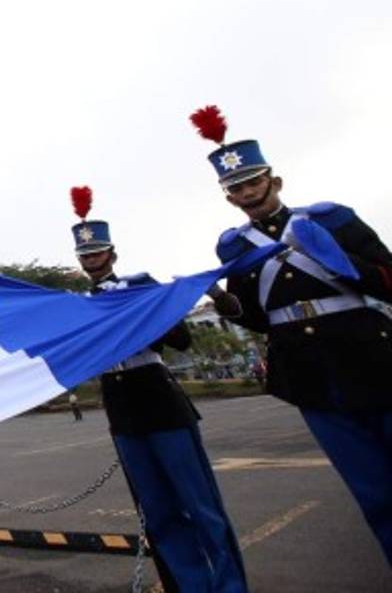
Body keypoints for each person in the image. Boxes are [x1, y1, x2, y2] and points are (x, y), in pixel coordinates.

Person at [192, 105, 392, 563]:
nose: (247, 193)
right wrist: (224, 303)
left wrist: (344, 264)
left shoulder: (332, 220)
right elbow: (259, 318)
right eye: (235, 188)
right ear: (227, 198)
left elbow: (388, 278)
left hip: (375, 360)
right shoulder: (235, 246)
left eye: (253, 182)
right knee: (374, 495)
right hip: (311, 379)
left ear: (274, 181)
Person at [71, 185, 247, 592]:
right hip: (121, 411)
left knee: (202, 507)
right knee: (158, 513)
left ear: (112, 254)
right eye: (84, 256)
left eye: (97, 254)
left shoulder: (140, 286)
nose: (91, 262)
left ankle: (231, 587)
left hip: (159, 400)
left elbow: (181, 340)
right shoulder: (79, 302)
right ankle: (192, 585)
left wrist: (140, 308)